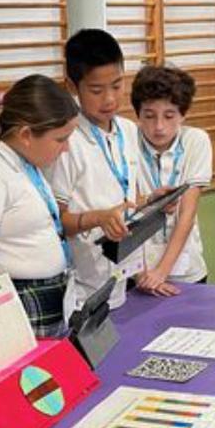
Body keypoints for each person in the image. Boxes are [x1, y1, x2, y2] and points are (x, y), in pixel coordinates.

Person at [0, 74, 125, 336]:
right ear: (26, 135)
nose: (65, 150)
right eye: (60, 139)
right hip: (14, 306)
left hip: (47, 297)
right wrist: (11, 323)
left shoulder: (26, 166)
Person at [50, 28, 142, 311]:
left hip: (124, 276)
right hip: (83, 291)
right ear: (72, 86)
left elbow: (128, 195)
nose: (109, 99)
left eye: (117, 85)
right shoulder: (66, 141)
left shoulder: (128, 130)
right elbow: (55, 222)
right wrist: (98, 219)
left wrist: (153, 202)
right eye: (96, 90)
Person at [130, 64, 214, 295]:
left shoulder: (196, 142)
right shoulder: (126, 142)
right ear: (138, 113)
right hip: (137, 270)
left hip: (187, 269)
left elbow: (187, 212)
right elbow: (128, 210)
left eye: (169, 116)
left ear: (183, 114)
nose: (159, 127)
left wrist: (161, 272)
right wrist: (143, 275)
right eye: (149, 116)